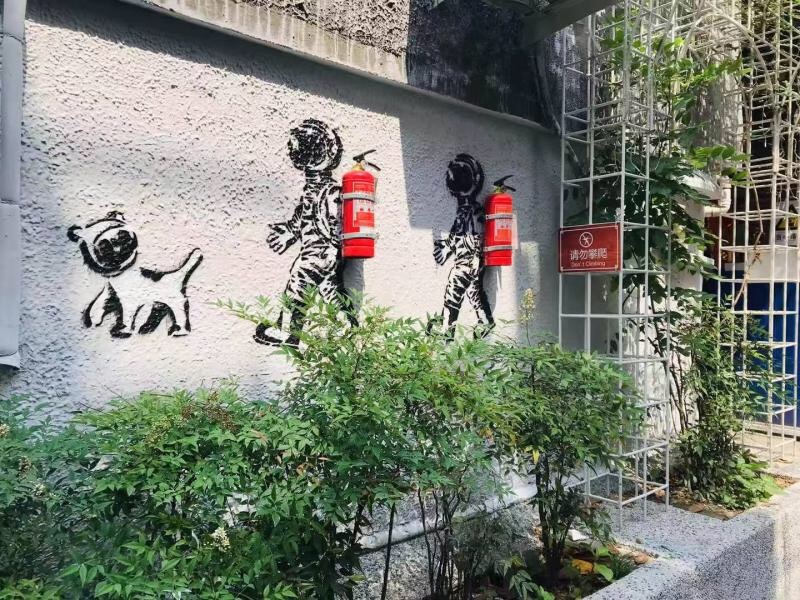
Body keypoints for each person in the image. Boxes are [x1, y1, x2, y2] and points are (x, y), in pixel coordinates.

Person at [254, 118, 354, 347]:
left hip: (318, 253)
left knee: (297, 285)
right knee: (329, 289)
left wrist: (333, 247)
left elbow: (335, 220)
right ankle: (345, 326)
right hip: (321, 253)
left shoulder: (330, 192)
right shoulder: (312, 190)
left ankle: (287, 333)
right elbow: (303, 216)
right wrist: (289, 232)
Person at [432, 153, 495, 337]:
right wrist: (447, 248)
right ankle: (485, 321)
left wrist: (447, 249)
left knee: (453, 292)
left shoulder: (468, 211)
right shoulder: (473, 210)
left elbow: (461, 235)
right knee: (474, 293)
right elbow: (461, 234)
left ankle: (446, 330)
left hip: (466, 261)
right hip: (473, 261)